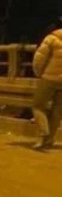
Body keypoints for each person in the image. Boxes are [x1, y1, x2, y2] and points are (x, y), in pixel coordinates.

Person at [31, 18, 62, 150]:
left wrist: (39, 73)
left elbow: (39, 58)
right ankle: (49, 140)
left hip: (49, 78)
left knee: (38, 106)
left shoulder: (51, 38)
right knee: (57, 110)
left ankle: (43, 133)